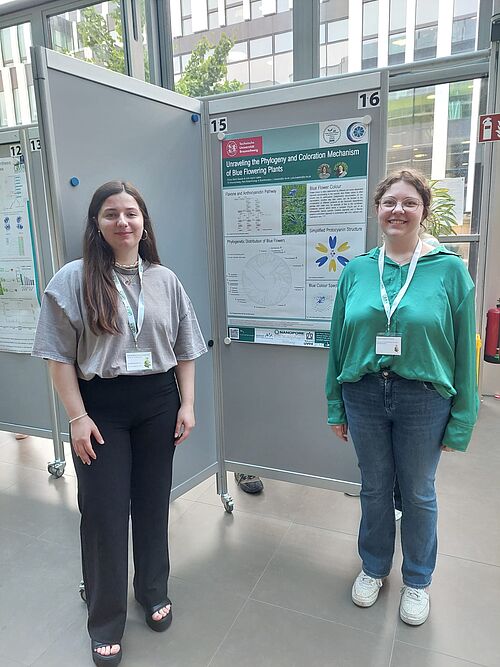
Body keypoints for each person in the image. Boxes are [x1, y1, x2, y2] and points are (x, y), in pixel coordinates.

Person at [32, 181, 207, 666]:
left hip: (157, 402)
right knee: (105, 513)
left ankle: (152, 590)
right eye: (111, 214)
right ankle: (105, 617)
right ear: (97, 224)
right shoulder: (73, 278)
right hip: (100, 407)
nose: (123, 222)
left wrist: (186, 405)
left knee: (153, 504)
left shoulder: (164, 279)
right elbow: (57, 356)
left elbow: (187, 349)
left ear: (143, 221)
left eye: (131, 213)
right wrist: (77, 417)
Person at [326, 169, 478, 626]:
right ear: (377, 210)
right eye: (390, 201)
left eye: (409, 202)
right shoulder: (356, 270)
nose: (398, 210)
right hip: (364, 394)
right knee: (373, 488)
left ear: (423, 212)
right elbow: (338, 343)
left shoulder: (450, 270)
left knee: (417, 491)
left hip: (424, 398)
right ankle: (373, 567)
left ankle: (417, 579)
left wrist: (462, 419)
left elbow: (463, 350)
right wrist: (335, 403)